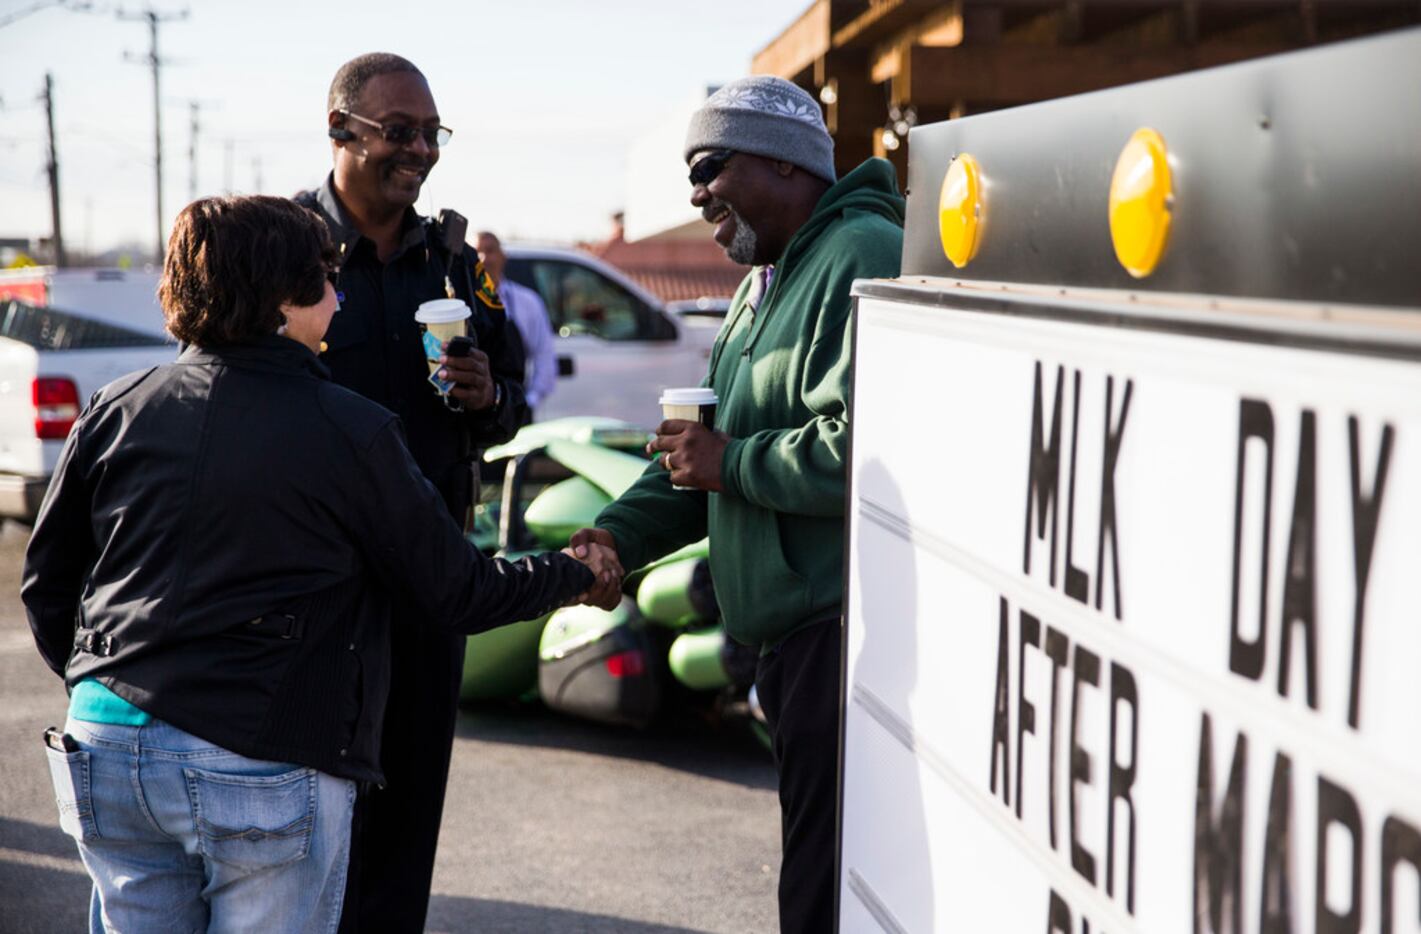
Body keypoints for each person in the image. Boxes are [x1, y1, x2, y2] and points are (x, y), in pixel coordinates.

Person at [22, 195, 602, 934]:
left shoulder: (116, 405)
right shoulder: (349, 429)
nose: (339, 295)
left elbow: (47, 584)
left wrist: (99, 677)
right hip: (262, 760)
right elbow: (457, 591)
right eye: (327, 279)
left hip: (102, 742)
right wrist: (577, 573)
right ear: (286, 296)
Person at [571, 76, 905, 934]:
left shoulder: (859, 252)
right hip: (784, 646)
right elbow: (695, 458)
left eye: (709, 165)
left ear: (782, 162)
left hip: (840, 638)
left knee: (825, 890)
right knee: (814, 872)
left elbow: (863, 453)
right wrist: (612, 536)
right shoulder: (760, 287)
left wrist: (732, 460)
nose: (695, 193)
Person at [294, 53, 529, 932]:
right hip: (314, 587)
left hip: (430, 581)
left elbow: (511, 404)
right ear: (340, 131)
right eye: (400, 131)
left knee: (406, 819)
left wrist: (486, 397)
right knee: (305, 821)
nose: (421, 150)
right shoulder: (284, 250)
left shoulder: (454, 262)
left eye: (432, 133)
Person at [477, 230, 558, 415]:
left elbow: (544, 356)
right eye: (477, 252)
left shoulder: (527, 302)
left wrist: (529, 402)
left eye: (490, 250)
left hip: (514, 410)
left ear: (503, 257)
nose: (483, 258)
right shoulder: (460, 301)